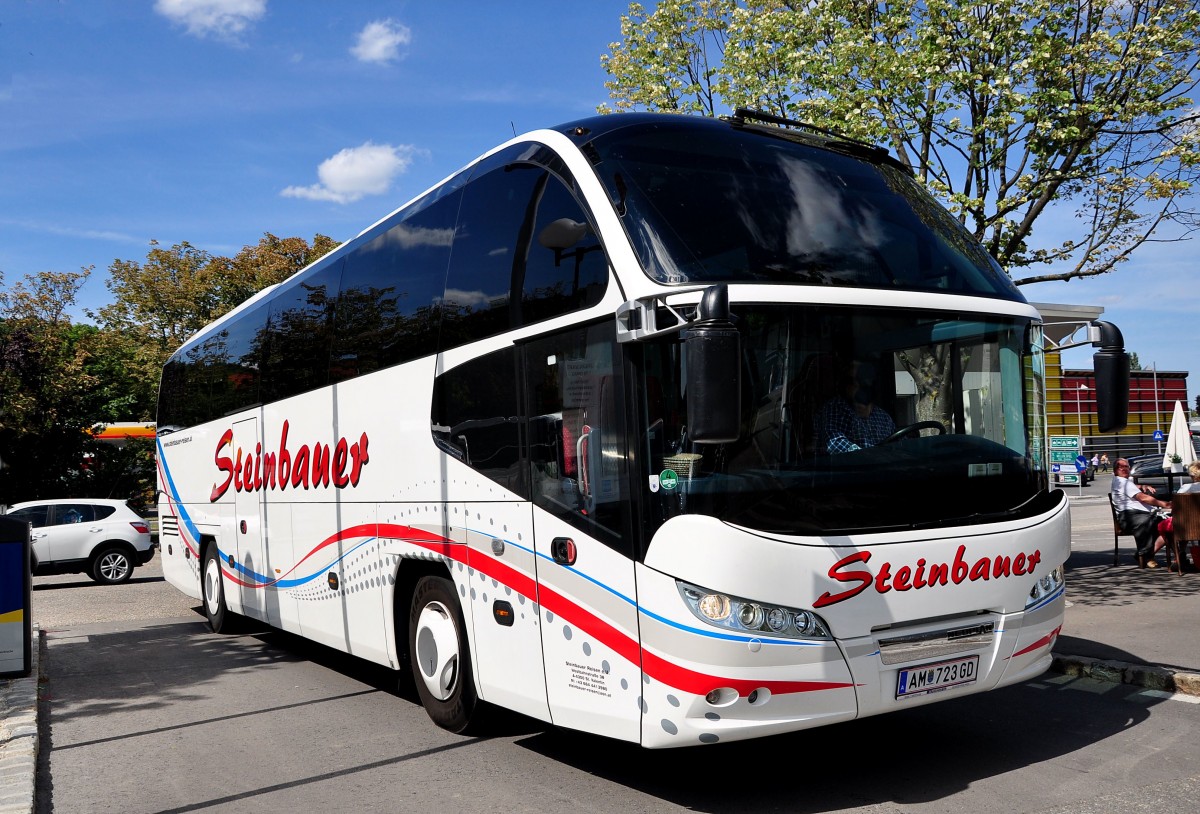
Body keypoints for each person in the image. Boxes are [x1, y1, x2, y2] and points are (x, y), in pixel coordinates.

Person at [818, 361, 896, 453]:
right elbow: (834, 444)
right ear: (846, 386)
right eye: (854, 382)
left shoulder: (884, 418)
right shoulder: (835, 409)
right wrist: (872, 457)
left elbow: (899, 444)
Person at [1111, 457, 1172, 568]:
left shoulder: (1122, 481)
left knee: (1168, 522)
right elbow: (1143, 498)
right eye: (1121, 467)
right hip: (1131, 517)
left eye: (1126, 467)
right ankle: (1146, 554)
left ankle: (1147, 554)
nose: (1124, 469)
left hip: (1133, 515)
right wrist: (1166, 505)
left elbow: (1134, 488)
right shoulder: (1122, 482)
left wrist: (1143, 486)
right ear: (1115, 470)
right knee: (1163, 521)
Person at [1154, 460, 1200, 570]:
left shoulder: (1184, 488)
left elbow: (1175, 509)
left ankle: (1179, 554)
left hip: (1185, 526)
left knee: (1167, 526)